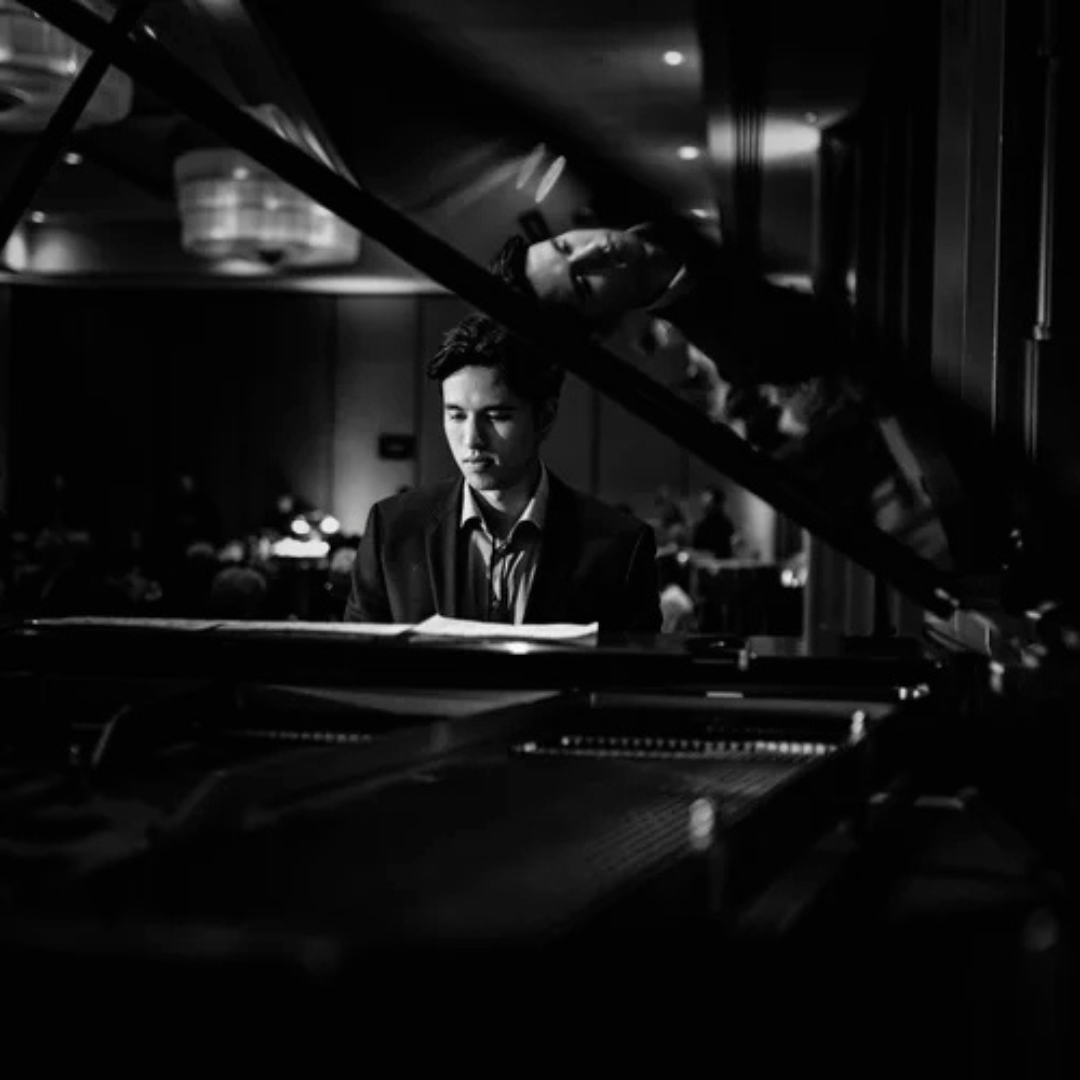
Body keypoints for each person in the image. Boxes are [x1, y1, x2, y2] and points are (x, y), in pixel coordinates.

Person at [345, 312, 661, 631]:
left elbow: (634, 678)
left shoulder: (619, 547)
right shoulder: (394, 529)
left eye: (495, 416)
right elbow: (359, 668)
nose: (472, 440)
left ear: (545, 417)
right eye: (456, 416)